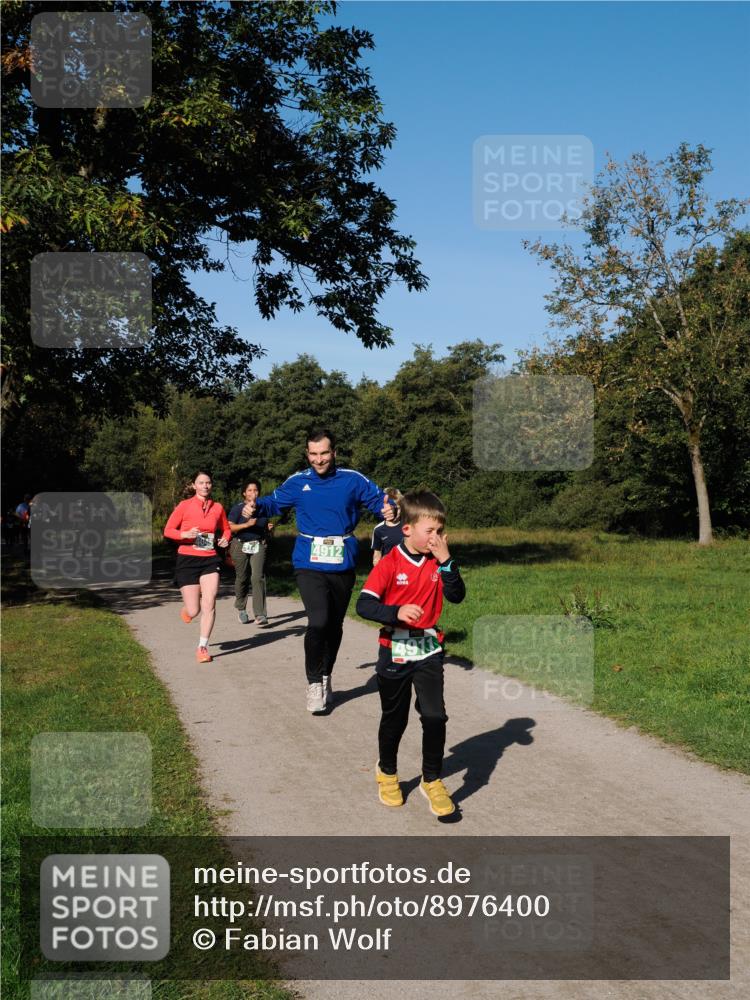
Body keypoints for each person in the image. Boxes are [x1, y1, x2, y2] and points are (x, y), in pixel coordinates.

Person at [251, 428, 396, 713]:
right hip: (308, 562)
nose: (319, 460)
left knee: (334, 626)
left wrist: (389, 510)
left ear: (334, 453)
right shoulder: (298, 482)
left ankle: (326, 673)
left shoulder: (352, 480)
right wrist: (253, 506)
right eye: (313, 454)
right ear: (307, 454)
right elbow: (272, 502)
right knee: (318, 621)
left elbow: (380, 501)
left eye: (324, 453)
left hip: (342, 562)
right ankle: (314, 683)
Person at [356, 491, 466, 817]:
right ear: (408, 529)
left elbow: (457, 595)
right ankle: (387, 772)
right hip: (395, 651)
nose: (436, 538)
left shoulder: (439, 561)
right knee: (396, 718)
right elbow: (364, 604)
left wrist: (447, 561)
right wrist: (396, 611)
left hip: (429, 649)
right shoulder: (390, 563)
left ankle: (431, 779)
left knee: (435, 716)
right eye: (429, 531)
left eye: (440, 531)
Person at [163, 471, 231, 663]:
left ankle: (202, 647)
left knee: (209, 601)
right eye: (201, 483)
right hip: (187, 559)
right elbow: (168, 530)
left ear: (211, 485)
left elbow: (226, 528)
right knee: (194, 610)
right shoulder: (184, 506)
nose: (205, 486)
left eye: (208, 482)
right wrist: (185, 534)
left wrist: (225, 539)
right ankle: (188, 611)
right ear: (194, 485)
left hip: (210, 558)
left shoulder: (217, 507)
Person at [228, 478, 271, 626]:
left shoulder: (264, 508)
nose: (253, 493)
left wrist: (267, 528)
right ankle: (241, 609)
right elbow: (230, 528)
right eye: (250, 490)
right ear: (244, 493)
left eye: (256, 490)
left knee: (257, 577)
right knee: (242, 577)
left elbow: (264, 525)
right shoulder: (237, 508)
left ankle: (260, 614)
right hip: (239, 545)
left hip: (258, 545)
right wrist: (246, 524)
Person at [371, 487, 404, 565]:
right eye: (390, 509)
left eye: (398, 509)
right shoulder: (378, 530)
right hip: (389, 570)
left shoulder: (409, 526)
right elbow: (377, 554)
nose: (394, 512)